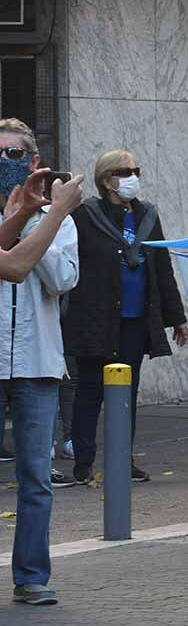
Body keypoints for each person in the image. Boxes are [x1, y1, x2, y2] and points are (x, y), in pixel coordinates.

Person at [65, 150, 188, 485]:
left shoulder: (147, 215)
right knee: (91, 390)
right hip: (95, 318)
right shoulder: (85, 215)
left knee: (127, 390)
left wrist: (176, 316)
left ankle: (123, 458)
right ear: (107, 180)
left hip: (136, 319)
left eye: (137, 170)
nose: (133, 176)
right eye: (125, 171)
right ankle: (84, 461)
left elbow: (162, 268)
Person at [0, 118, 85, 606]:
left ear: (34, 163)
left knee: (36, 477)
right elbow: (10, 265)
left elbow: (62, 280)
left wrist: (44, 218)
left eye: (15, 156)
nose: (6, 165)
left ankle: (31, 575)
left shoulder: (61, 221)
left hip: (36, 360)